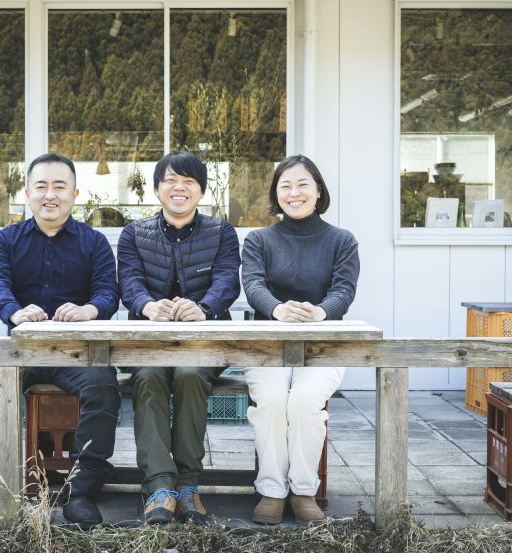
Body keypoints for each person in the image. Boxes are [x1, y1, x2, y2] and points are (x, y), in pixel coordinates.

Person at [0, 153, 120, 528]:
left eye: (59, 186)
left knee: (104, 387)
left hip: (75, 353)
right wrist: (14, 312)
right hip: (20, 349)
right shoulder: (6, 239)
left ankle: (81, 493)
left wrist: (91, 309)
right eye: (41, 186)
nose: (50, 195)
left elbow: (108, 292)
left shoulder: (94, 242)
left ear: (75, 193)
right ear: (27, 192)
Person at [117, 151, 241, 524]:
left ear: (201, 191)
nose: (179, 187)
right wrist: (146, 305)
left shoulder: (221, 232)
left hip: (204, 345)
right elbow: (129, 281)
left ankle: (187, 484)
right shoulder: (134, 233)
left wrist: (204, 307)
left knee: (188, 374)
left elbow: (226, 281)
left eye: (189, 181)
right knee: (150, 377)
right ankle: (158, 486)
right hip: (147, 344)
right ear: (156, 189)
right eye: (170, 180)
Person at [242, 154, 359, 525]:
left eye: (302, 184)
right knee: (273, 400)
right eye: (285, 186)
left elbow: (344, 289)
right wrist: (277, 309)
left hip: (323, 343)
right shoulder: (259, 239)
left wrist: (321, 311)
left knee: (306, 401)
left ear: (318, 190)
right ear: (276, 194)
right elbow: (253, 284)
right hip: (267, 344)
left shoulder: (342, 240)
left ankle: (304, 490)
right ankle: (272, 490)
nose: (294, 193)